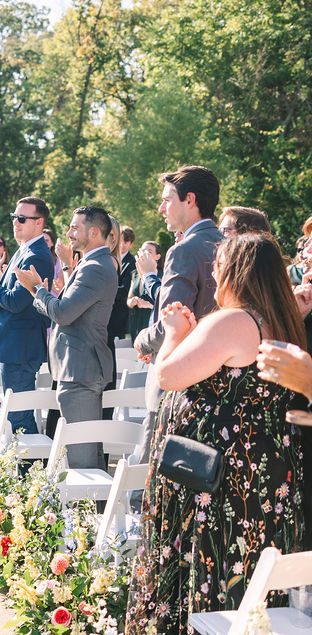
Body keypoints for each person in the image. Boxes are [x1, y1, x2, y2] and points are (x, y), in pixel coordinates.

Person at [125, 233, 307, 635]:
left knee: (211, 559)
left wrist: (174, 332)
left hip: (217, 480)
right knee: (247, 568)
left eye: (218, 266)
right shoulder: (283, 319)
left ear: (235, 271)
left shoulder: (235, 320)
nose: (214, 272)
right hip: (263, 473)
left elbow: (170, 375)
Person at [133, 166, 224, 465]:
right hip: (221, 379)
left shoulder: (184, 250)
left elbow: (173, 322)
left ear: (190, 200)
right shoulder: (231, 245)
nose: (161, 207)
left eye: (167, 199)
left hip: (180, 378)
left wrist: (142, 341)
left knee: (153, 467)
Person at [15, 207, 117, 469]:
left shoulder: (95, 266)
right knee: (89, 457)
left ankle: (89, 510)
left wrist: (36, 289)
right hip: (78, 369)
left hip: (80, 371)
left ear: (94, 232)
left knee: (81, 460)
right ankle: (97, 510)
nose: (69, 233)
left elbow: (63, 312)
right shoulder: (90, 263)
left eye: (75, 228)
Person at [0, 197, 54, 435]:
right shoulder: (25, 249)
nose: (15, 223)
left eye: (21, 218)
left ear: (39, 223)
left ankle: (30, 471)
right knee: (16, 415)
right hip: (13, 345)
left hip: (20, 349)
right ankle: (25, 470)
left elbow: (14, 302)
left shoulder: (36, 254)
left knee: (19, 419)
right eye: (14, 217)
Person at [126, 241, 162, 338]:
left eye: (149, 251)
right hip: (136, 322)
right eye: (143, 250)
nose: (145, 253)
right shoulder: (135, 274)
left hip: (151, 322)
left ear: (158, 256)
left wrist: (148, 305)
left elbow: (164, 302)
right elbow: (129, 300)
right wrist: (132, 301)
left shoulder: (162, 276)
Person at [108, 225, 136, 342]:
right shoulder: (110, 257)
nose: (122, 245)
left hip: (120, 312)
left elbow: (125, 289)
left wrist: (104, 290)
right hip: (107, 310)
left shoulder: (131, 262)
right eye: (121, 241)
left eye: (126, 242)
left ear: (131, 244)